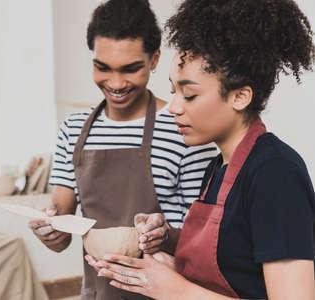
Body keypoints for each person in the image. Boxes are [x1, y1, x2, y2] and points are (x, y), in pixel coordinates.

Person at [89, 0, 315, 299]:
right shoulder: (219, 167)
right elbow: (235, 265)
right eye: (173, 91)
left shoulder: (275, 173)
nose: (173, 108)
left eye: (190, 94)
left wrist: (176, 291)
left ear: (240, 96)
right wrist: (166, 241)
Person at [28, 0, 217, 299]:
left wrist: (162, 236)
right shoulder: (73, 130)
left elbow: (204, 243)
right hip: (97, 293)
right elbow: (62, 234)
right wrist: (50, 229)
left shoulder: (185, 129)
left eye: (130, 69)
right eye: (103, 68)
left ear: (154, 60)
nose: (116, 83)